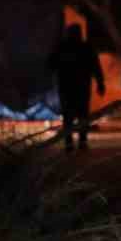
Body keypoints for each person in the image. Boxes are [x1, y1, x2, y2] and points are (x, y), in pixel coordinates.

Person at [48, 23, 105, 151]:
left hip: (67, 87)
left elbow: (50, 65)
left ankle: (70, 142)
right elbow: (96, 67)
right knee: (82, 115)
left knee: (69, 115)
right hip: (81, 87)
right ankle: (82, 141)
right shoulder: (85, 48)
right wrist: (100, 83)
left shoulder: (62, 47)